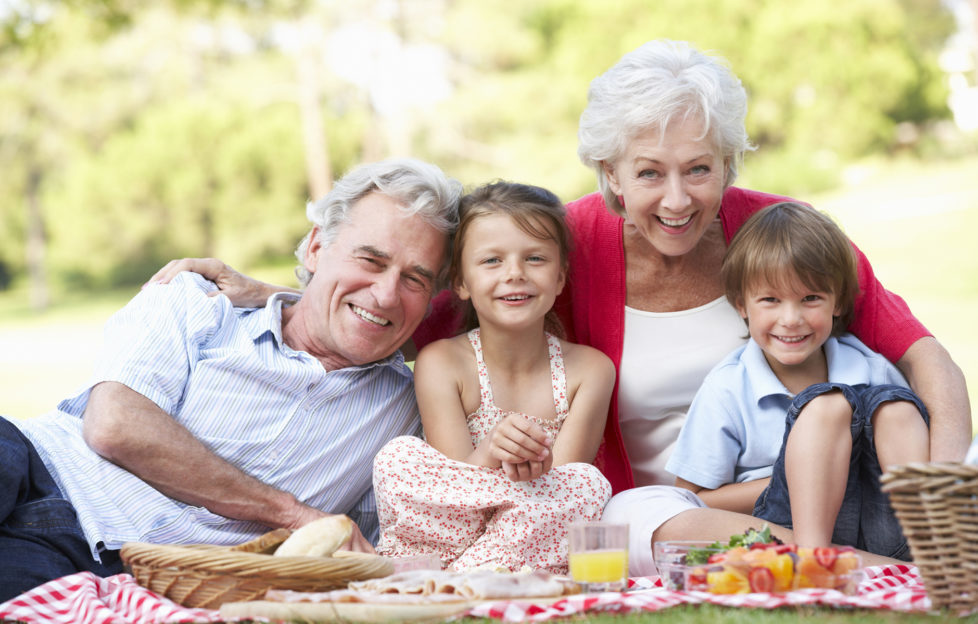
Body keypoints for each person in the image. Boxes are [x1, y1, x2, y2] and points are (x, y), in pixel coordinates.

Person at [149, 40, 972, 575]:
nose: (678, 198)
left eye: (700, 169)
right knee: (612, 519)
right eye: (649, 172)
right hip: (651, 510)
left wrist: (933, 481)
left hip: (827, 478)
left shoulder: (781, 236)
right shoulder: (566, 248)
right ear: (610, 174)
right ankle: (841, 563)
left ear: (729, 162)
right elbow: (425, 308)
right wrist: (289, 294)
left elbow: (920, 355)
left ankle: (880, 546)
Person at [0, 158, 462, 601]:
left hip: (116, 565)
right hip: (34, 465)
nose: (384, 295)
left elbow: (514, 296)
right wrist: (293, 514)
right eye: (371, 261)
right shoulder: (196, 300)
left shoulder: (411, 407)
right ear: (318, 247)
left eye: (415, 280)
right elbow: (115, 425)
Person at [372, 182, 614, 573]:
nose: (515, 274)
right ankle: (469, 575)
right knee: (397, 458)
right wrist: (490, 452)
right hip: (458, 530)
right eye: (492, 261)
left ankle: (453, 580)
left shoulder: (590, 370)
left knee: (587, 484)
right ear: (461, 283)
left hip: (530, 535)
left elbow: (560, 495)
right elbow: (458, 497)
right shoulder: (442, 362)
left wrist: (538, 463)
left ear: (560, 278)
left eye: (535, 258)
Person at [665, 202, 929, 559]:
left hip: (883, 526)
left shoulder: (870, 366)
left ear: (838, 301)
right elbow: (694, 498)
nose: (791, 319)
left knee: (896, 408)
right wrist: (803, 476)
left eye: (810, 299)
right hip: (786, 528)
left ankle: (937, 549)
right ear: (742, 305)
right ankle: (814, 564)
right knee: (826, 408)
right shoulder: (729, 386)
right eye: (770, 300)